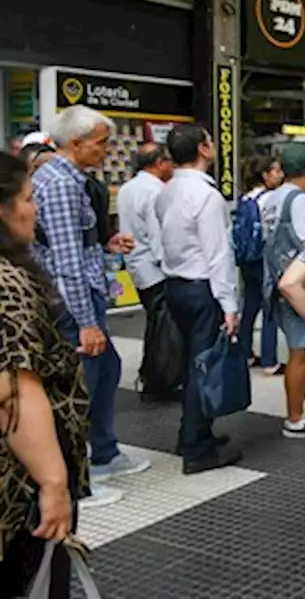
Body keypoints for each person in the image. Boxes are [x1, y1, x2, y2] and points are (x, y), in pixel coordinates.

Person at [34, 106, 147, 505]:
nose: (107, 150)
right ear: (76, 143)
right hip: (71, 305)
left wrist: (104, 245)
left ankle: (103, 452)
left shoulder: (67, 178)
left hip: (79, 295)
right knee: (80, 387)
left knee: (106, 370)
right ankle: (74, 478)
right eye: (101, 143)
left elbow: (71, 245)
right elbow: (65, 263)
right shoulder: (62, 185)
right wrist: (86, 321)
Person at [0, 152, 88, 598]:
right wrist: (53, 482)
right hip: (15, 484)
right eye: (29, 198)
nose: (35, 209)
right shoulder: (7, 282)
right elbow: (14, 386)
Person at [156, 125, 242, 475]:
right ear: (205, 149)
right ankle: (197, 448)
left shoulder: (166, 192)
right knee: (202, 366)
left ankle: (192, 433)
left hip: (176, 283)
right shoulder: (207, 196)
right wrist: (229, 304)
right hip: (202, 286)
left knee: (195, 363)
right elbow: (218, 253)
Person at [259, 145, 305, 439]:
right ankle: (295, 419)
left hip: (274, 280)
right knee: (299, 350)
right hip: (297, 284)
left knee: (303, 345)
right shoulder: (300, 200)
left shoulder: (272, 197)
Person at [116, 143, 175, 396]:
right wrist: (171, 267)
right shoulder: (155, 192)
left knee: (154, 324)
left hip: (137, 266)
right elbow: (158, 235)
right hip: (155, 268)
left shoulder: (127, 188)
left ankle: (150, 374)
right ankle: (159, 379)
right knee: (163, 329)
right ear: (159, 163)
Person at [234, 156, 283, 372]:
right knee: (270, 307)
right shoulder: (270, 198)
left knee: (250, 305)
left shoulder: (246, 198)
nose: (279, 175)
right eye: (275, 171)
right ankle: (269, 359)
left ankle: (244, 352)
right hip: (264, 257)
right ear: (264, 175)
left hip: (247, 258)